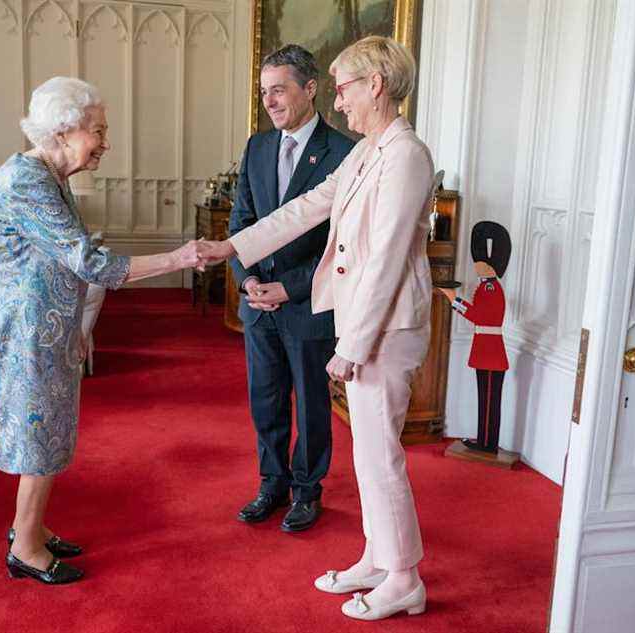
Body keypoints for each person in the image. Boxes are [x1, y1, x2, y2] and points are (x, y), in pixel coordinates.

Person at [198, 36, 435, 621]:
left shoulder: (406, 154)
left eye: (346, 86)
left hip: (384, 328)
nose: (340, 99)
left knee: (381, 457)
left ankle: (404, 578)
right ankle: (379, 558)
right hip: (365, 322)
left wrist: (352, 345)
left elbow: (384, 258)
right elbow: (302, 210)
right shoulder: (368, 152)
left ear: (375, 85)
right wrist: (230, 245)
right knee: (368, 455)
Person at [0, 76, 205, 585]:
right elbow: (89, 262)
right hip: (31, 335)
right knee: (39, 436)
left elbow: (51, 259)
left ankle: (29, 528)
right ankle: (26, 548)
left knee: (50, 433)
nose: (105, 142)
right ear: (63, 131)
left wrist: (78, 323)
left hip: (48, 327)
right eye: (98, 131)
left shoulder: (49, 178)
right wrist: (178, 257)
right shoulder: (27, 182)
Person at [229, 44, 355, 532]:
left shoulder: (344, 153)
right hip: (258, 303)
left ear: (310, 88)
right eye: (264, 92)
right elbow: (245, 220)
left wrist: (290, 287)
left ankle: (307, 490)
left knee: (311, 402)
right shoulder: (257, 147)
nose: (270, 101)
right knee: (266, 398)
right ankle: (272, 483)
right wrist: (249, 280)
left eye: (278, 90)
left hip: (309, 303)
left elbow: (342, 244)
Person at [438, 221, 512, 453]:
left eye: (480, 265)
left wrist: (454, 300)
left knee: (489, 400)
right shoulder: (486, 286)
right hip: (486, 348)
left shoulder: (491, 288)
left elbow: (479, 316)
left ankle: (487, 443)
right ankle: (484, 440)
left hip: (490, 350)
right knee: (486, 399)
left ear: (491, 268)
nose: (477, 268)